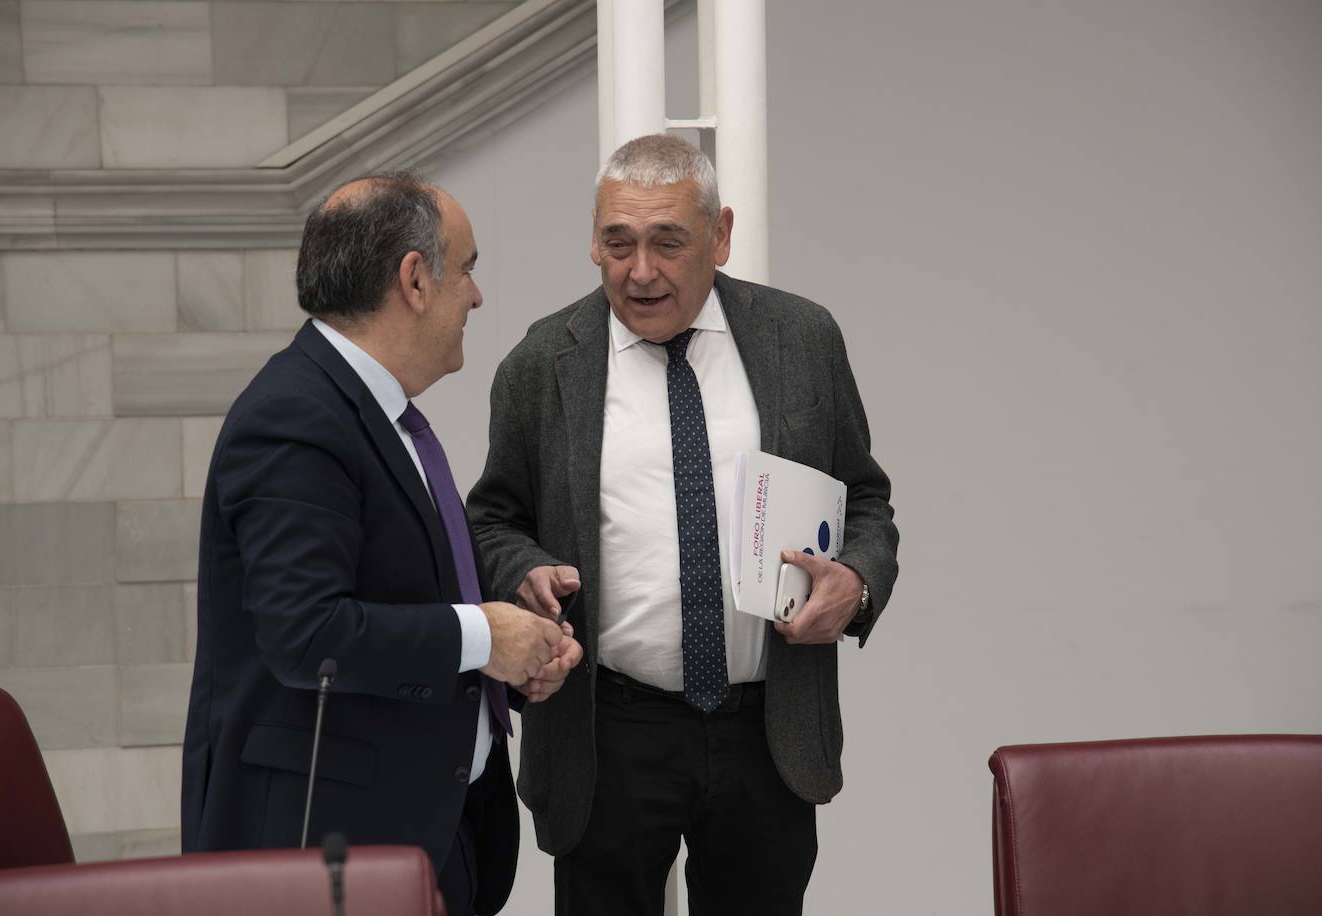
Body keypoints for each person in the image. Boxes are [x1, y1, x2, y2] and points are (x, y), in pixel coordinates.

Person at [467, 134, 900, 915]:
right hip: (609, 731)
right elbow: (494, 520)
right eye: (618, 244)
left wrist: (858, 585)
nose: (641, 271)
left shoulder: (801, 340)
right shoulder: (542, 363)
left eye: (668, 242)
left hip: (767, 728)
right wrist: (522, 570)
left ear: (721, 235)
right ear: (592, 241)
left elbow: (865, 500)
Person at [181, 171, 582, 916]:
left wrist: (507, 657)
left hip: (423, 833)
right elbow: (308, 634)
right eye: (466, 268)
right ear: (414, 280)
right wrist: (481, 634)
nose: (477, 294)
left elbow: (396, 599)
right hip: (326, 850)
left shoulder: (375, 415)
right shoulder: (295, 417)